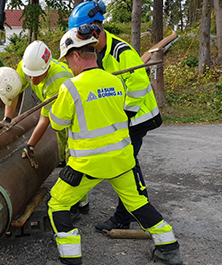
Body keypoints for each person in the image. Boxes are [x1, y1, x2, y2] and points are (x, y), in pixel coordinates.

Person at [45, 26, 182, 265]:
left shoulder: (70, 87)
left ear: (76, 55)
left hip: (87, 165)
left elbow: (57, 124)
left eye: (67, 60)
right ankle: (169, 247)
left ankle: (70, 260)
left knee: (58, 203)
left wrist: (62, 99)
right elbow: (125, 109)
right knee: (138, 203)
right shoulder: (115, 81)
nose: (67, 66)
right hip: (121, 160)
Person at [68, 0, 164, 231]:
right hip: (128, 119)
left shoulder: (120, 51)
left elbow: (140, 83)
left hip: (139, 118)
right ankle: (132, 213)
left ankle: (126, 217)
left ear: (95, 28)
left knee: (127, 166)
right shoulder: (97, 53)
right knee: (127, 165)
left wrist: (124, 115)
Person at [0, 40, 74, 169]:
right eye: (30, 76)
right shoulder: (26, 67)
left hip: (73, 107)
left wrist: (30, 146)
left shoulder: (58, 79)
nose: (32, 79)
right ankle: (62, 160)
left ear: (47, 68)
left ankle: (71, 166)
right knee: (61, 135)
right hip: (58, 106)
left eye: (37, 76)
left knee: (69, 135)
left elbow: (44, 119)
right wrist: (7, 119)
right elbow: (15, 90)